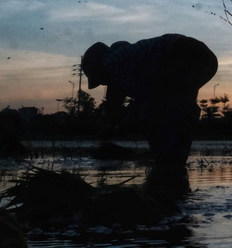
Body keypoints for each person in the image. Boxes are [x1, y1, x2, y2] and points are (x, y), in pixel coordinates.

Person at [81, 34, 218, 169]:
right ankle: (171, 160)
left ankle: (167, 160)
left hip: (183, 54)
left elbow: (123, 99)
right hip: (204, 59)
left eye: (100, 80)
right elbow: (140, 98)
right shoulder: (127, 61)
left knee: (156, 111)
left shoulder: (112, 62)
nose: (103, 84)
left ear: (99, 67)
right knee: (172, 107)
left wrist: (118, 125)